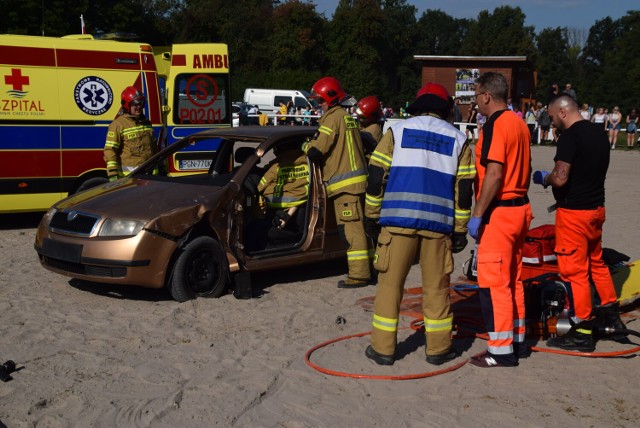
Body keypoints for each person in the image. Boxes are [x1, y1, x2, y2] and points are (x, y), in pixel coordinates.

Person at [365, 82, 475, 366]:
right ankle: (438, 349)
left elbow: (376, 176)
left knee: (390, 286)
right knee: (437, 289)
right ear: (446, 108)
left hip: (397, 224)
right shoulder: (458, 139)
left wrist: (371, 215)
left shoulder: (396, 131)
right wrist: (460, 230)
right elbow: (464, 192)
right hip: (438, 228)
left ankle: (383, 349)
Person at [532, 94, 626, 352]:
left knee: (575, 272)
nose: (552, 122)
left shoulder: (570, 137)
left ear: (562, 112)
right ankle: (611, 318)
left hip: (574, 214)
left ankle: (582, 329)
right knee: (596, 263)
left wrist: (545, 179)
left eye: (552, 117)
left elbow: (561, 177)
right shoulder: (599, 134)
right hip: (596, 210)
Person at [467, 72, 532, 368]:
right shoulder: (519, 123)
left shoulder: (495, 125)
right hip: (520, 209)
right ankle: (517, 338)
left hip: (501, 211)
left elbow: (494, 173)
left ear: (487, 96)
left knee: (493, 283)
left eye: (476, 96)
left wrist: (478, 213)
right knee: (513, 279)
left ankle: (500, 350)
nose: (475, 102)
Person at [303, 76, 371, 288]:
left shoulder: (332, 119)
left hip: (344, 186)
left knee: (352, 231)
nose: (319, 106)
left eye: (320, 101)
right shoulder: (348, 118)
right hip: (358, 183)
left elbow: (316, 150)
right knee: (362, 228)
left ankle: (359, 274)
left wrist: (304, 146)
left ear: (330, 100)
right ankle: (371, 268)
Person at [256, 142, 310, 247]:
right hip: (300, 201)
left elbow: (260, 186)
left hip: (277, 204)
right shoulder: (307, 164)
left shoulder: (276, 166)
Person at [104, 86, 156, 181]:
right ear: (127, 105)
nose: (139, 107)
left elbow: (154, 147)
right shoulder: (118, 125)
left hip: (150, 176)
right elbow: (110, 151)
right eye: (135, 104)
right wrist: (113, 174)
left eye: (141, 103)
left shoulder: (146, 122)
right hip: (131, 178)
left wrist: (161, 166)